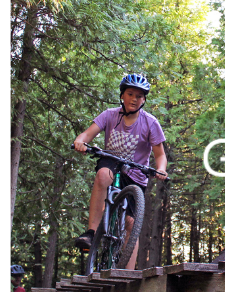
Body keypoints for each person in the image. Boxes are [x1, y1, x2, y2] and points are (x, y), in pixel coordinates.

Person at [71, 74, 168, 270]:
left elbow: (160, 155)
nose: (134, 99)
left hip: (136, 173)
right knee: (103, 175)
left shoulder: (150, 122)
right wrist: (80, 141)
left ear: (144, 100)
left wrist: (161, 169)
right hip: (112, 162)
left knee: (131, 223)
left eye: (139, 96)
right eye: (130, 94)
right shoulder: (109, 115)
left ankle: (127, 274)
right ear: (122, 95)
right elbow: (87, 134)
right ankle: (91, 232)